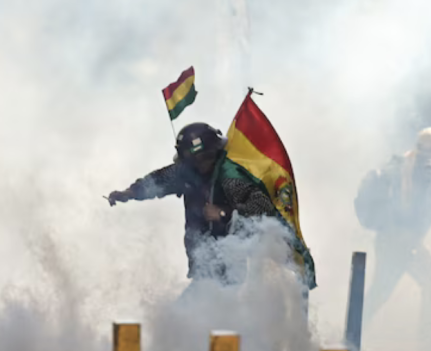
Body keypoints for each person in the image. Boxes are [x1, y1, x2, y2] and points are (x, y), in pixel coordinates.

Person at [106, 122, 298, 286]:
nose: (202, 163)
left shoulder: (231, 176)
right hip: (201, 265)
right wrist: (130, 192)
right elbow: (159, 180)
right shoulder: (186, 172)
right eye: (196, 160)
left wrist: (224, 213)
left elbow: (261, 206)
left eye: (207, 156)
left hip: (235, 267)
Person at [358, 127, 431, 349]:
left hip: (387, 236)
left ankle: (352, 334)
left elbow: (405, 196)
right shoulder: (430, 171)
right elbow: (421, 209)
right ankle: (427, 338)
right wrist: (413, 239)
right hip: (405, 240)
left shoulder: (402, 164)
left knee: (381, 289)